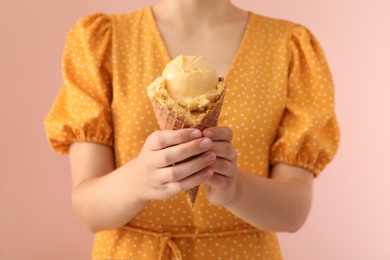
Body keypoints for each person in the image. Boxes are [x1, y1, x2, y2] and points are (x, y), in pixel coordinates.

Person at [44, 0, 340, 259]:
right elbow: (87, 211)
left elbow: (293, 212)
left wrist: (235, 189)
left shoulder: (289, 46)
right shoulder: (101, 41)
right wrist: (139, 179)